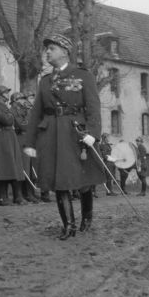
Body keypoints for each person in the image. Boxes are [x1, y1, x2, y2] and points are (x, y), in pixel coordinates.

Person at [24, 34, 104, 239]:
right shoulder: (45, 81)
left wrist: (93, 134)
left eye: (52, 48)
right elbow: (36, 113)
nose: (47, 52)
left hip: (75, 132)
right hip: (50, 133)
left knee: (82, 178)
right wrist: (30, 142)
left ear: (64, 51)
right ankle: (69, 225)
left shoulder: (82, 75)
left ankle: (87, 216)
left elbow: (93, 107)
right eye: (46, 49)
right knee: (57, 178)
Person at [0, 86, 26, 205]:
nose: (8, 94)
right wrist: (13, 114)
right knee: (3, 167)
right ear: (1, 94)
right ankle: (2, 197)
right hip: (2, 137)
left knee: (15, 166)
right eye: (6, 92)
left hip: (9, 136)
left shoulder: (6, 107)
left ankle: (17, 196)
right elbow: (7, 120)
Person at [11, 91, 39, 203]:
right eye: (21, 99)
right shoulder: (15, 110)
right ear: (15, 101)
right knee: (22, 169)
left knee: (30, 168)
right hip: (20, 139)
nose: (24, 101)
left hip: (28, 140)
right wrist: (27, 112)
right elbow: (23, 126)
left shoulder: (25, 111)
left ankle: (29, 193)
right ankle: (19, 195)